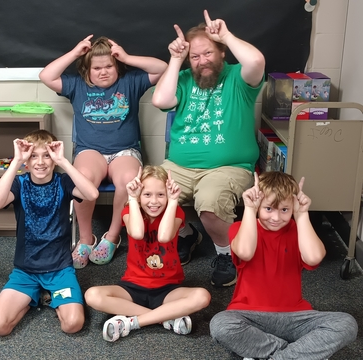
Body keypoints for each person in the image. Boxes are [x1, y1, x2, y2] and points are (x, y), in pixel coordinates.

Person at [152, 10, 265, 287]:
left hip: (229, 167)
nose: (202, 61)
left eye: (208, 53)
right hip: (178, 166)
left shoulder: (240, 78)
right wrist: (176, 59)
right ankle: (187, 234)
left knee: (210, 205)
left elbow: (256, 60)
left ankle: (227, 255)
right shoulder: (185, 78)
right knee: (149, 194)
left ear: (222, 53)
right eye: (195, 56)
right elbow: (160, 100)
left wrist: (225, 35)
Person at [39, 35, 167, 269]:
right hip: (91, 151)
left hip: (125, 151)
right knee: (82, 179)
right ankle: (87, 238)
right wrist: (76, 52)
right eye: (96, 68)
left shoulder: (131, 82)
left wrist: (127, 57)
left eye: (109, 66)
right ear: (87, 70)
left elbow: (163, 67)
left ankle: (112, 236)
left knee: (129, 181)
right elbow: (46, 76)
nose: (103, 72)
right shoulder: (77, 85)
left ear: (117, 66)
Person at [209, 171, 358, 360]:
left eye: (284, 210)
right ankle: (297, 352)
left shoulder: (299, 230)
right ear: (258, 205)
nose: (276, 217)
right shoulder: (240, 228)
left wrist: (302, 214)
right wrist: (249, 208)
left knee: (347, 323)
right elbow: (245, 252)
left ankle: (270, 355)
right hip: (248, 316)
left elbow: (314, 257)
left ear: (293, 207)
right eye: (269, 209)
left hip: (296, 317)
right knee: (220, 325)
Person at [0, 130, 99, 336]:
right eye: (33, 156)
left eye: (46, 155)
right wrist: (16, 162)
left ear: (53, 159)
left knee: (73, 324)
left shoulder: (62, 182)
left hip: (59, 270)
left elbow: (92, 194)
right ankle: (36, 297)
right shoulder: (20, 184)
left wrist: (63, 161)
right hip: (25, 271)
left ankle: (47, 295)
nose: (40, 162)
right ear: (27, 161)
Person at [85, 165, 211, 342]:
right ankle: (164, 317)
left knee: (202, 297)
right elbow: (136, 232)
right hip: (133, 287)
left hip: (167, 289)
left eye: (161, 195)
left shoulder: (175, 211)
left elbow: (165, 236)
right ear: (139, 195)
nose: (154, 201)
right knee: (92, 295)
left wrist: (174, 200)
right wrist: (132, 198)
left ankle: (133, 322)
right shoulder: (130, 210)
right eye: (147, 195)